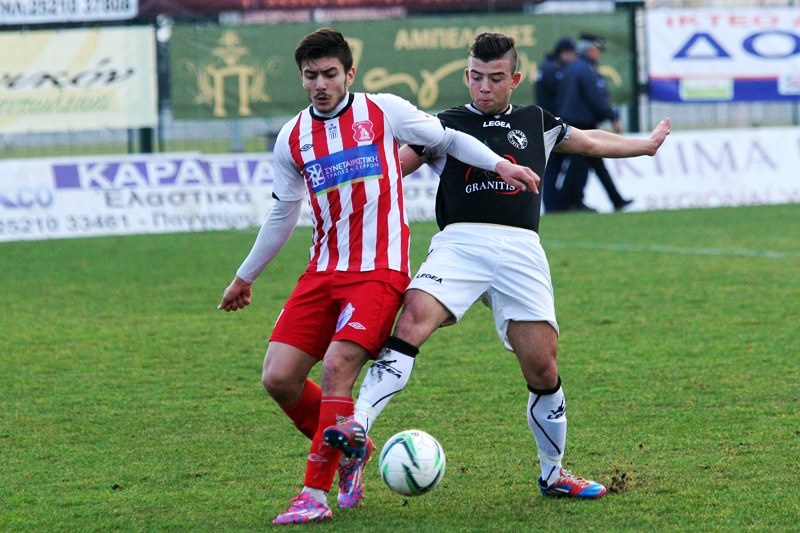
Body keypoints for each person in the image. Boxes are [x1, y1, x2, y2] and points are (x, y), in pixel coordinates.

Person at [324, 32, 670, 501]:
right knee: (413, 320)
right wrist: (344, 175)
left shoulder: (536, 121)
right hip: (460, 243)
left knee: (543, 368)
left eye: (495, 78)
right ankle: (359, 427)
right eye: (475, 77)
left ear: (515, 79)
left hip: (521, 249)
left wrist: (644, 145)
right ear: (467, 76)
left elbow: (590, 141)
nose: (483, 87)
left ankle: (553, 474)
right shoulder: (444, 125)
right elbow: (391, 166)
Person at [216, 28, 538, 525]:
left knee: (337, 367)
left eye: (329, 74)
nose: (320, 84)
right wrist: (245, 276)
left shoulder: (383, 111)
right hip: (322, 271)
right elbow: (283, 212)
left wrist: (500, 164)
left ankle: (313, 494)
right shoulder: (292, 137)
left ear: (349, 74)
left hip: (378, 273)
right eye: (310, 76)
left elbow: (449, 137)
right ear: (301, 78)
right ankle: (353, 448)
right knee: (278, 377)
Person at [549, 34, 633, 212]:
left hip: (571, 121)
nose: (599, 53)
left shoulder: (571, 68)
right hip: (582, 124)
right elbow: (596, 98)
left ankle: (615, 200)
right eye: (597, 49)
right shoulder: (586, 70)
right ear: (590, 50)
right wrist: (612, 116)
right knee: (579, 167)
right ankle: (570, 202)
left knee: (595, 164)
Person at [535, 36, 577, 213]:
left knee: (554, 165)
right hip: (552, 123)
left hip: (547, 121)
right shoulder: (553, 71)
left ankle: (555, 202)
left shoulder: (545, 68)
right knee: (554, 165)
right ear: (564, 53)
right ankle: (553, 203)